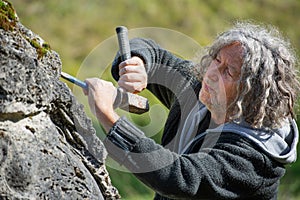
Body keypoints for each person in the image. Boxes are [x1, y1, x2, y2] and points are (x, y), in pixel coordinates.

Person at [83, 22, 299, 199]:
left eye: (229, 72)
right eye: (217, 59)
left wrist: (109, 118)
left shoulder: (252, 159)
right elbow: (153, 53)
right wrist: (138, 64)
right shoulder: (200, 89)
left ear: (252, 93)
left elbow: (181, 178)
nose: (213, 73)